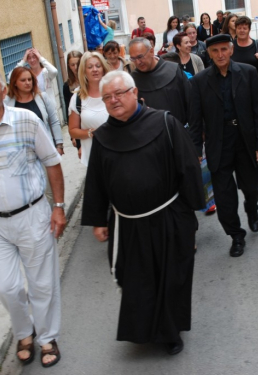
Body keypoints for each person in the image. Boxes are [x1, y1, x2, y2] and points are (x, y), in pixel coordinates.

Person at [82, 70, 205, 355]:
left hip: (168, 216)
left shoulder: (165, 122)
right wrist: (98, 221)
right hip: (128, 224)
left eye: (119, 94)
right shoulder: (102, 137)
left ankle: (171, 332)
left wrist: (190, 213)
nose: (113, 101)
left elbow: (187, 167)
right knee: (135, 279)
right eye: (107, 97)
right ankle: (144, 329)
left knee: (171, 276)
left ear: (134, 93)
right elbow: (96, 181)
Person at [0, 66, 65, 368]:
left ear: (4, 90)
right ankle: (24, 330)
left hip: (33, 216)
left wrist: (58, 206)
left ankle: (46, 338)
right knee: (7, 287)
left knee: (42, 284)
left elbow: (52, 163)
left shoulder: (27, 121)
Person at [189, 34, 258, 257]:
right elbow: (195, 121)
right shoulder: (199, 81)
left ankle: (252, 209)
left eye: (224, 49)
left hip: (245, 140)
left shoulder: (249, 73)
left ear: (231, 50)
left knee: (251, 186)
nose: (220, 54)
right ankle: (236, 235)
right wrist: (196, 150)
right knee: (224, 197)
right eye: (215, 51)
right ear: (209, 54)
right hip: (218, 144)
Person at [129, 37, 191, 125]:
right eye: (133, 59)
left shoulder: (173, 70)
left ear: (151, 51)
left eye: (140, 57)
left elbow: (190, 101)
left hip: (179, 129)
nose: (138, 62)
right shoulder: (132, 80)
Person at [5, 67, 64, 155]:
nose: (27, 83)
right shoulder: (7, 102)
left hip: (44, 148)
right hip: (20, 152)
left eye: (29, 79)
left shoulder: (42, 97)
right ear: (15, 83)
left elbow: (54, 121)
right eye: (23, 80)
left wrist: (59, 145)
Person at [68, 52, 110, 167]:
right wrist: (90, 133)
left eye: (98, 66)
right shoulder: (77, 98)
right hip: (93, 158)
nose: (94, 70)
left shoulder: (113, 92)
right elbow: (72, 130)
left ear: (103, 68)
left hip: (117, 153)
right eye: (90, 67)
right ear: (84, 71)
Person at [63, 51, 83, 158]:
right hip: (77, 123)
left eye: (78, 63)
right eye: (72, 64)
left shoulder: (89, 79)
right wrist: (73, 136)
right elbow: (68, 110)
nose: (75, 67)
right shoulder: (67, 86)